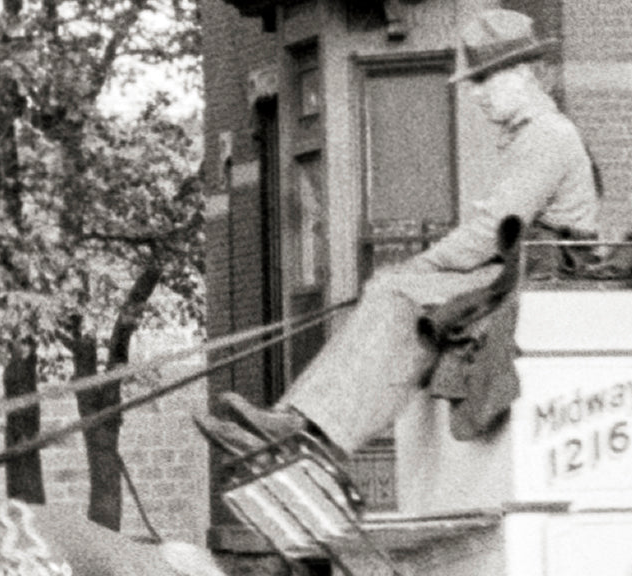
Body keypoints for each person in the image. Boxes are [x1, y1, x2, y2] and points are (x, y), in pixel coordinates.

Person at [201, 8, 601, 460]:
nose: (476, 94)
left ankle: (305, 432)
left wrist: (416, 267)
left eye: (484, 79)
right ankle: (294, 422)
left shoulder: (546, 137)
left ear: (522, 74)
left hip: (535, 275)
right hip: (518, 271)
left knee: (397, 294)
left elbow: (488, 234)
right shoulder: (532, 135)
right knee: (389, 291)